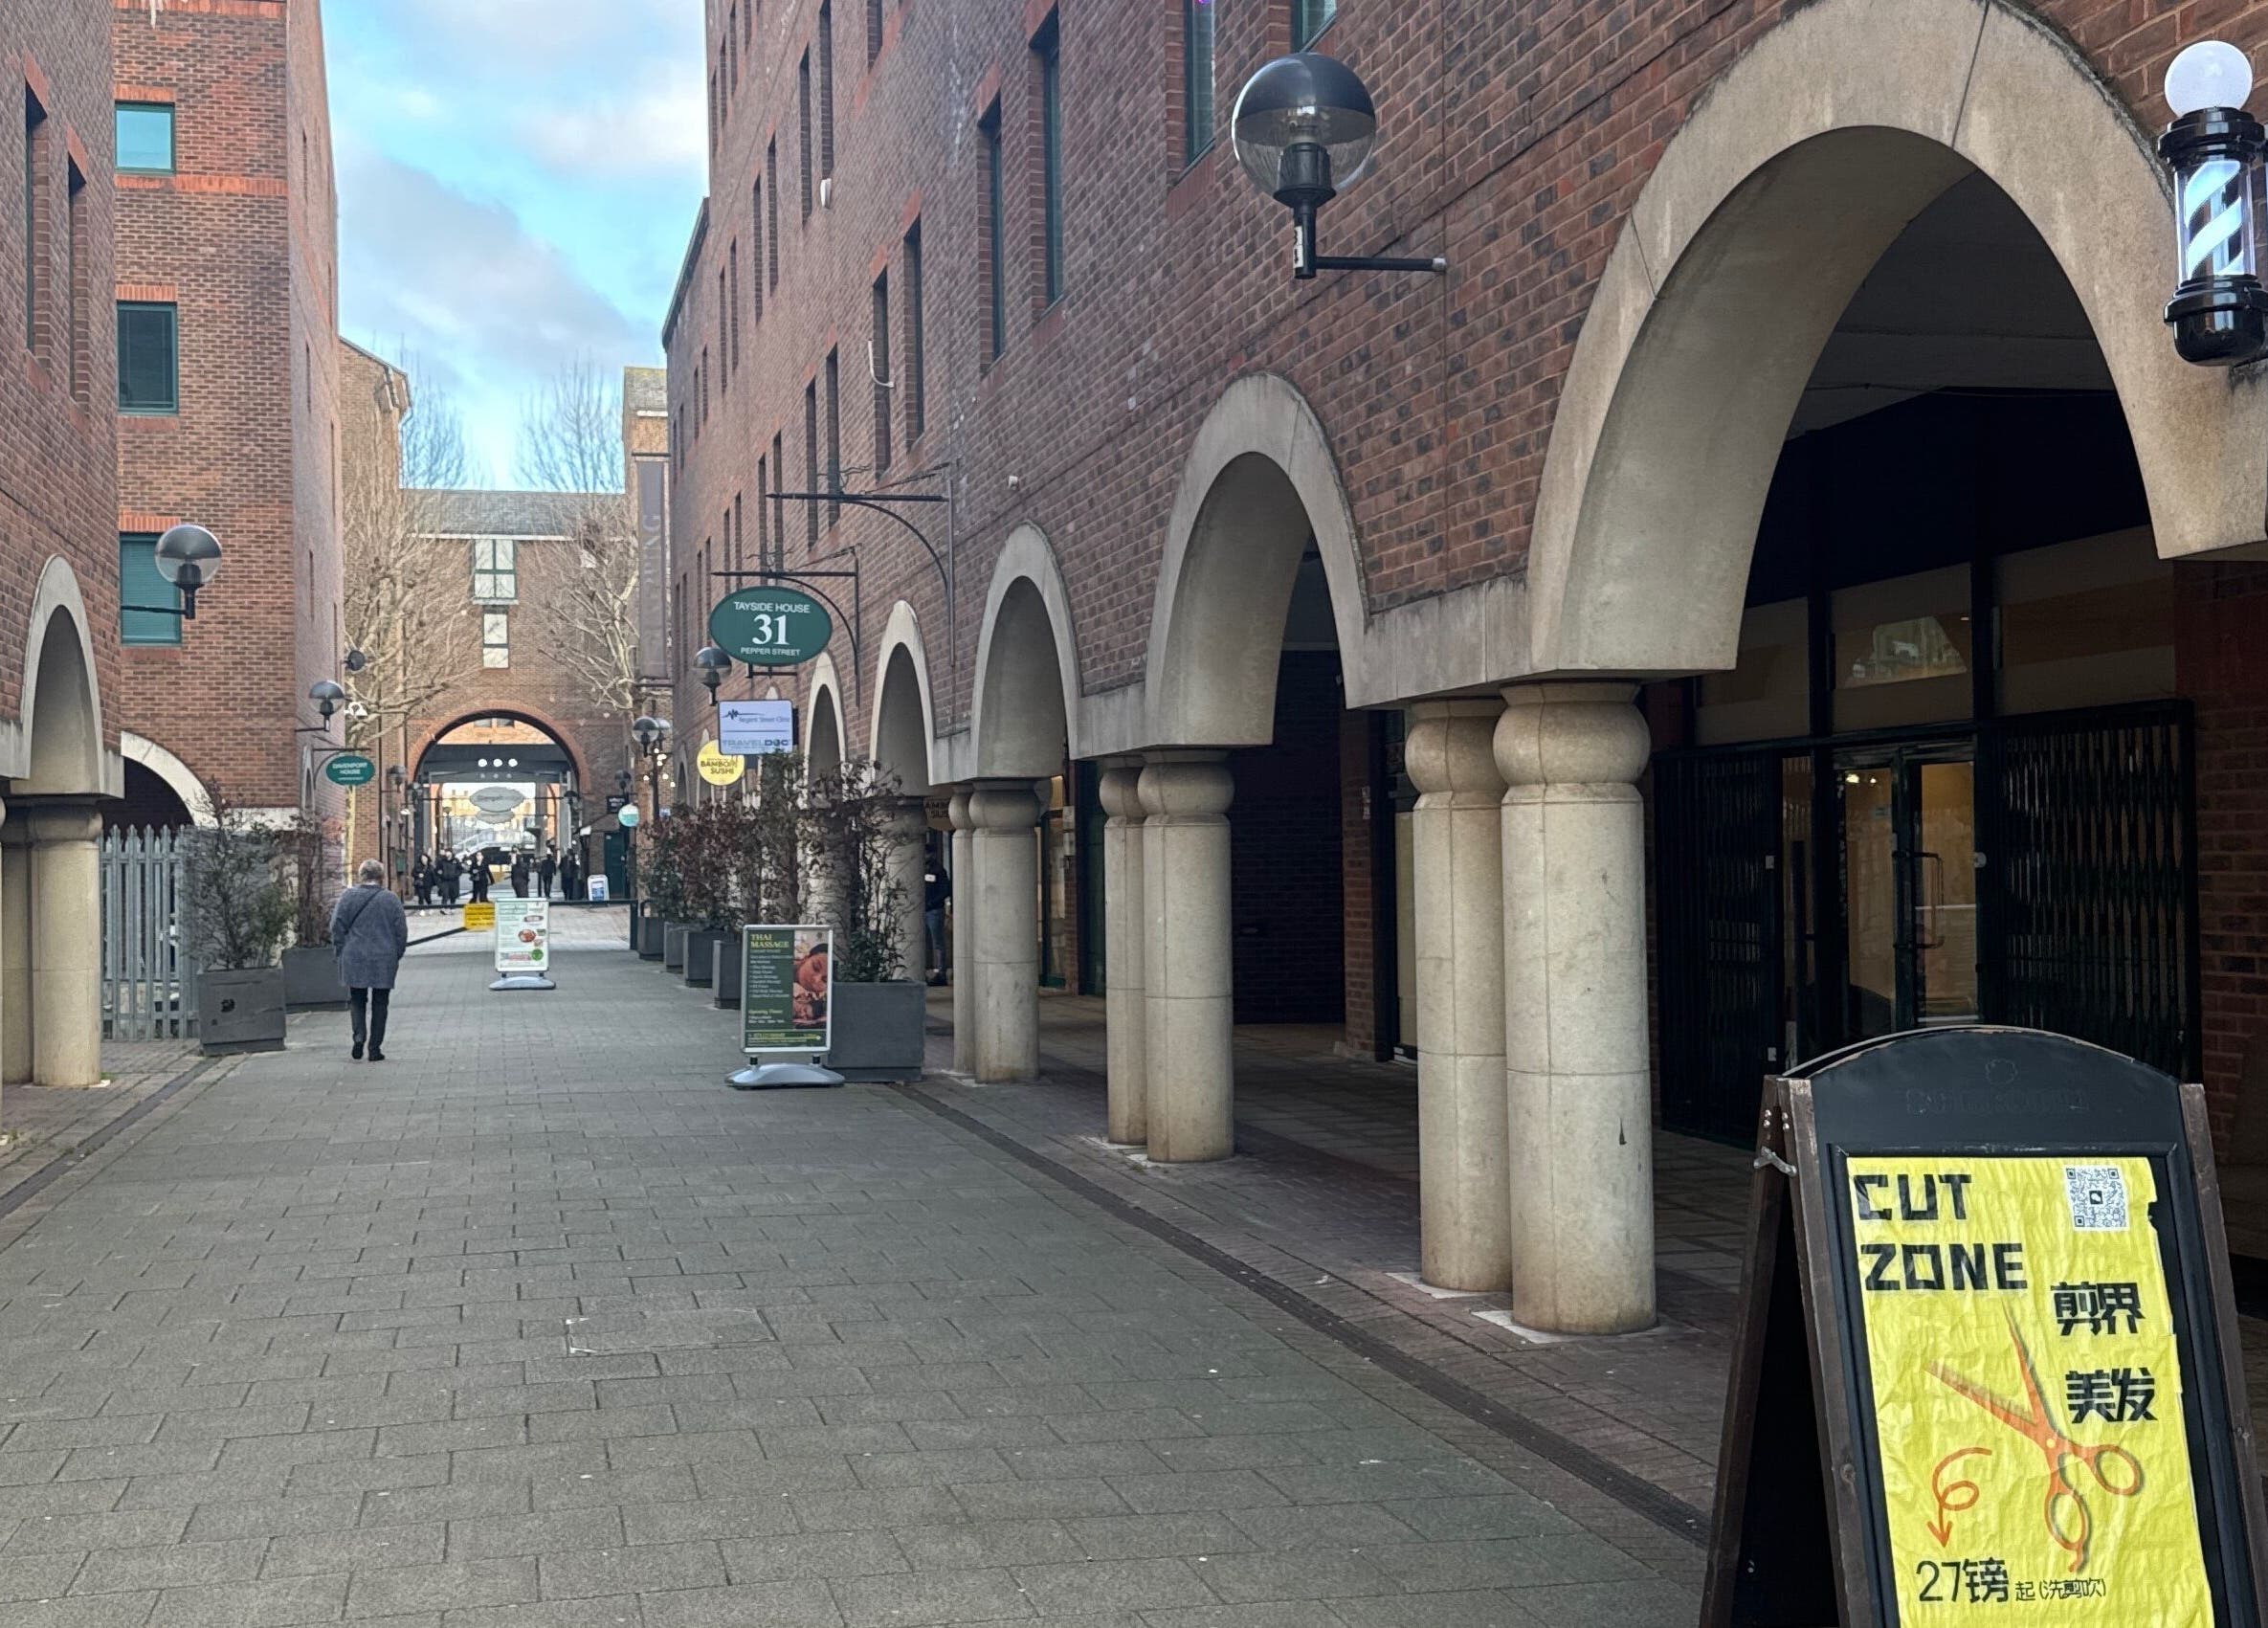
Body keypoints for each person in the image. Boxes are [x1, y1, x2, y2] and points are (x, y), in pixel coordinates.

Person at [332, 858, 408, 1062]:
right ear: (381, 877)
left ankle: (358, 1037)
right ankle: (375, 1048)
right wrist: (396, 953)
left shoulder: (348, 897)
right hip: (383, 956)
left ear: (361, 876)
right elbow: (401, 931)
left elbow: (336, 926)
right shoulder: (391, 899)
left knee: (357, 999)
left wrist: (341, 950)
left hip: (354, 955)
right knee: (380, 1002)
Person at [923, 863, 950, 986]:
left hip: (934, 910)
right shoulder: (920, 868)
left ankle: (941, 973)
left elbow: (945, 890)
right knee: (924, 942)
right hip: (923, 909)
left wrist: (931, 903)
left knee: (938, 942)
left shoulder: (938, 870)